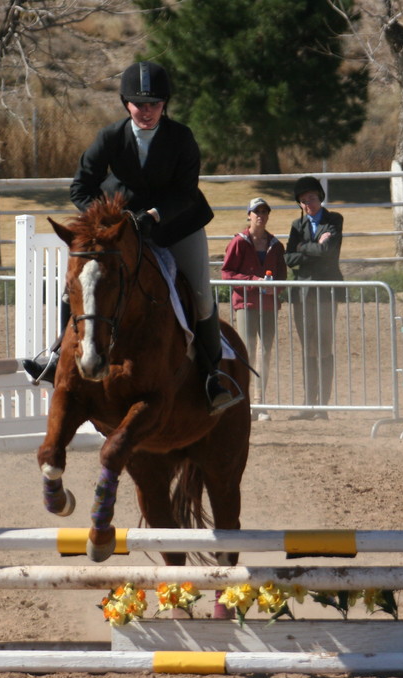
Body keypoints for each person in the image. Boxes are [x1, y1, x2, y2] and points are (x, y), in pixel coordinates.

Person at [27, 60, 242, 415]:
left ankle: (212, 377)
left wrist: (154, 216)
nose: (146, 111)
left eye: (154, 104)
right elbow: (81, 187)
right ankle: (56, 355)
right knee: (79, 287)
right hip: (121, 230)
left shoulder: (181, 138)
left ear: (165, 104)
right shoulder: (111, 137)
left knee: (201, 296)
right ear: (126, 103)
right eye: (139, 104)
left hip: (176, 225)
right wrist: (108, 218)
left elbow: (187, 193)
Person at [222, 197, 286, 421]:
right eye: (256, 211)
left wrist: (274, 288)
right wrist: (253, 281)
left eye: (264, 211)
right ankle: (244, 401)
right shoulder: (239, 242)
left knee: (265, 352)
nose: (260, 215)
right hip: (246, 304)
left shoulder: (276, 245)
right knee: (246, 351)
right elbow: (227, 273)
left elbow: (282, 275)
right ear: (248, 215)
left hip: (268, 305)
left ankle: (260, 402)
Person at [284, 176, 343, 420]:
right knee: (308, 347)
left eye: (311, 198)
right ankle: (309, 404)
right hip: (302, 293)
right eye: (303, 200)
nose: (308, 203)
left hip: (326, 292)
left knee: (324, 347)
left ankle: (323, 405)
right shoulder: (297, 226)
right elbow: (288, 258)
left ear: (319, 197)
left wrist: (302, 249)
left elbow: (328, 253)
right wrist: (311, 249)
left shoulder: (334, 220)